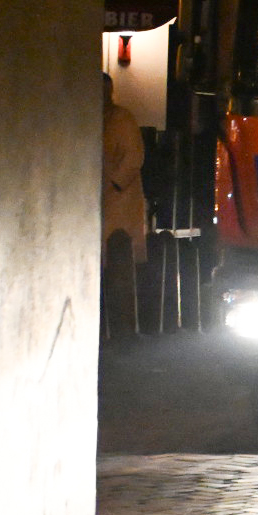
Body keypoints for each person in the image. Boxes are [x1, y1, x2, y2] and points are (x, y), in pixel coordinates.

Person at [101, 72, 147, 341]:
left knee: (118, 260)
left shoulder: (121, 119)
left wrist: (115, 183)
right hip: (106, 198)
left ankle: (122, 329)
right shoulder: (98, 118)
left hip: (117, 201)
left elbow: (133, 156)